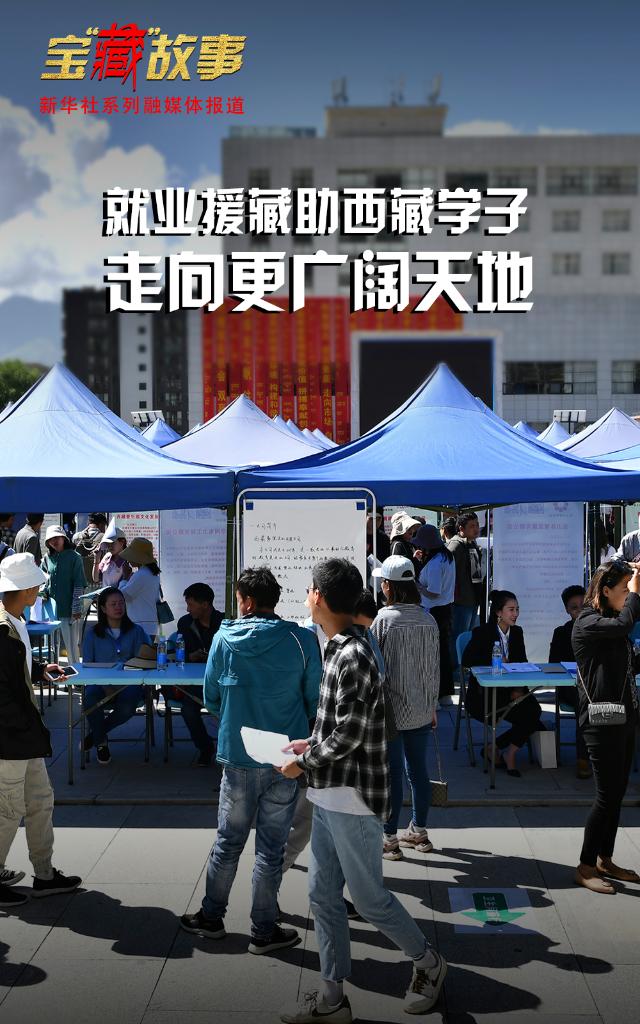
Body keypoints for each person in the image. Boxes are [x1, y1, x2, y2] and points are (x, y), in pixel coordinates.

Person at [280, 558, 447, 1023]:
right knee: (322, 895)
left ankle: (428, 963)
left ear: (319, 596)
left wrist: (303, 762)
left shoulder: (352, 653)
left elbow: (350, 732)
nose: (307, 596)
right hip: (329, 792)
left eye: (310, 589)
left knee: (370, 899)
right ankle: (332, 996)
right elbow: (339, 724)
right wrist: (310, 742)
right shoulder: (339, 645)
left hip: (352, 797)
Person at [180, 567, 322, 955]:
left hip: (239, 753)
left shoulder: (223, 638)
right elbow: (314, 699)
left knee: (228, 842)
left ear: (246, 601)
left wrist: (236, 718)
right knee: (271, 848)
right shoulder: (301, 639)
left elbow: (211, 697)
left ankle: (211, 917)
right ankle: (263, 929)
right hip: (285, 756)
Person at [0, 553, 81, 907]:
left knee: (39, 801)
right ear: (28, 589)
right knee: (7, 809)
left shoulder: (14, 620)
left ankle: (45, 874)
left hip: (23, 735)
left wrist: (39, 669)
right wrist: (21, 725)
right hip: (11, 738)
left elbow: (14, 670)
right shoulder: (3, 628)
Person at [572, 559, 640, 894]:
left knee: (617, 793)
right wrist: (636, 595)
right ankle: (585, 866)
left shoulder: (612, 621)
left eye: (630, 589)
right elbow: (625, 624)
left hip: (624, 717)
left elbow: (627, 660)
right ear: (606, 590)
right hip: (600, 722)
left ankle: (605, 859)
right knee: (605, 795)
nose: (628, 595)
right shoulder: (588, 621)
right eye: (624, 589)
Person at [370, 556, 439, 862]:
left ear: (388, 586)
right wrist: (432, 704)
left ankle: (389, 838)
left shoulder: (383, 620)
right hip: (422, 708)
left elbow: (375, 668)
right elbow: (435, 668)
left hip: (391, 712)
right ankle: (419, 831)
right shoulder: (429, 619)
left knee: (393, 774)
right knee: (418, 772)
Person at [463, 589, 542, 777]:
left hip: (510, 690)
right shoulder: (482, 632)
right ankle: (497, 750)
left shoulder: (517, 632)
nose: (515, 614)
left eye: (517, 609)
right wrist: (494, 660)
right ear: (499, 612)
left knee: (534, 711)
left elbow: (521, 663)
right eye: (511, 610)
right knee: (530, 718)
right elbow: (467, 660)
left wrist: (518, 688)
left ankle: (506, 751)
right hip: (484, 694)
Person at [81, 587, 150, 765]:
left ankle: (96, 736)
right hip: (99, 683)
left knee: (127, 707)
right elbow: (87, 666)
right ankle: (101, 744)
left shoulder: (136, 631)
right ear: (103, 608)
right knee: (90, 700)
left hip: (130, 683)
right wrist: (105, 685)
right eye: (113, 604)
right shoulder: (92, 634)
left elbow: (146, 659)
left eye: (121, 603)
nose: (119, 607)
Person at [170, 582, 224, 766]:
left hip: (220, 683)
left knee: (230, 709)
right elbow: (179, 654)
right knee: (188, 709)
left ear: (205, 604)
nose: (188, 609)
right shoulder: (185, 623)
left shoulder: (225, 623)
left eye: (191, 604)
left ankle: (228, 750)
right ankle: (205, 748)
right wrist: (189, 656)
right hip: (194, 683)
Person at [549, 584, 590, 779]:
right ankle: (583, 758)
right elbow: (553, 664)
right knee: (585, 704)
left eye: (583, 605)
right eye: (574, 607)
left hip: (597, 684)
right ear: (567, 610)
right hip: (570, 686)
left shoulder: (601, 627)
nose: (580, 610)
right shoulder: (561, 632)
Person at [412, 523, 456, 702]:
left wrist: (418, 586)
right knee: (443, 652)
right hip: (445, 609)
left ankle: (436, 694)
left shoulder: (436, 563)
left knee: (433, 653)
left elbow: (433, 592)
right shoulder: (446, 557)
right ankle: (445, 692)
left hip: (434, 611)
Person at [41, 525, 86, 664]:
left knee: (71, 646)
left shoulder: (75, 557)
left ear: (64, 538)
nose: (54, 541)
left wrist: (76, 607)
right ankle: (53, 672)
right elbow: (42, 580)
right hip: (50, 610)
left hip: (69, 610)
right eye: (51, 539)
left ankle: (77, 674)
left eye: (57, 537)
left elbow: (79, 583)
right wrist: (42, 593)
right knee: (51, 646)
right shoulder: (47, 558)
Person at [448, 512, 483, 665]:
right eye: (472, 526)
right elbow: (448, 573)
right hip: (461, 601)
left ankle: (464, 667)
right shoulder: (456, 545)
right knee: (458, 637)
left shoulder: (471, 543)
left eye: (477, 525)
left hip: (472, 599)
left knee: (467, 636)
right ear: (461, 528)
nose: (476, 529)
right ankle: (457, 670)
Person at [117, 537, 161, 637]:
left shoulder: (141, 574)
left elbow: (123, 596)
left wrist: (124, 578)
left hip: (140, 625)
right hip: (149, 624)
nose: (128, 559)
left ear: (138, 558)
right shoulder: (151, 573)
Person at [73, 513, 108, 584]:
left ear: (89, 524)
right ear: (101, 524)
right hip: (98, 582)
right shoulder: (105, 538)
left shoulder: (76, 537)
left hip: (81, 582)